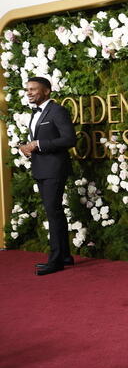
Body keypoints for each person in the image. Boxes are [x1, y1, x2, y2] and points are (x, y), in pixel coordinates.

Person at [17, 76, 76, 276]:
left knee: (53, 213)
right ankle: (65, 256)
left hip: (55, 169)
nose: (29, 92)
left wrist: (38, 144)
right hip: (41, 168)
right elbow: (40, 139)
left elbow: (69, 139)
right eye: (28, 89)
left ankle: (56, 260)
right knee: (55, 211)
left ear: (47, 91)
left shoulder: (57, 111)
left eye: (33, 89)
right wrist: (28, 146)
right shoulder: (35, 113)